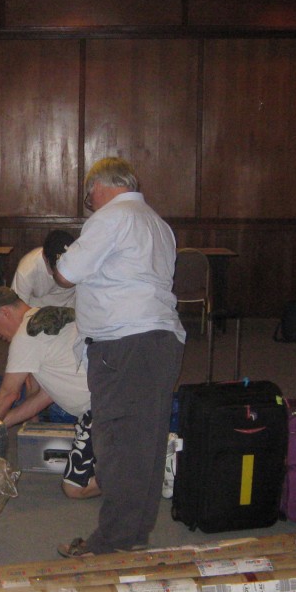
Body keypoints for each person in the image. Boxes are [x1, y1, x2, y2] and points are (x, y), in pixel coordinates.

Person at [52, 157, 185, 556]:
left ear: (98, 186)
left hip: (123, 343)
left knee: (116, 446)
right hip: (162, 341)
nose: (89, 203)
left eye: (88, 195)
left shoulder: (111, 217)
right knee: (146, 444)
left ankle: (110, 544)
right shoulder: (158, 224)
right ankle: (132, 535)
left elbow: (65, 274)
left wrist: (62, 255)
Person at [0, 286, 98, 499]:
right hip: (106, 401)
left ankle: (138, 469)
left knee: (76, 488)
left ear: (4, 312)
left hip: (103, 409)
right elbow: (43, 397)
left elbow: (8, 393)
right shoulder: (44, 318)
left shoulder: (26, 336)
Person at [11, 229, 77, 308]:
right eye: (56, 267)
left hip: (72, 310)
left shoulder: (84, 264)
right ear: (45, 258)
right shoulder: (27, 270)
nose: (64, 274)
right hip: (35, 312)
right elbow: (17, 309)